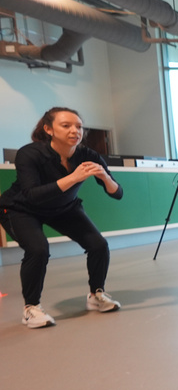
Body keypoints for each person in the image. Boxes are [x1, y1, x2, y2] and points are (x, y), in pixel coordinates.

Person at [0, 107, 123, 328]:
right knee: (38, 250)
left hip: (64, 207)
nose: (74, 131)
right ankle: (31, 309)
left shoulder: (87, 154)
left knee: (98, 245)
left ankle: (96, 295)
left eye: (78, 126)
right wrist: (74, 177)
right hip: (21, 208)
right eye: (66, 126)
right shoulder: (29, 153)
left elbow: (117, 193)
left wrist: (105, 177)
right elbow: (32, 195)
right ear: (48, 129)